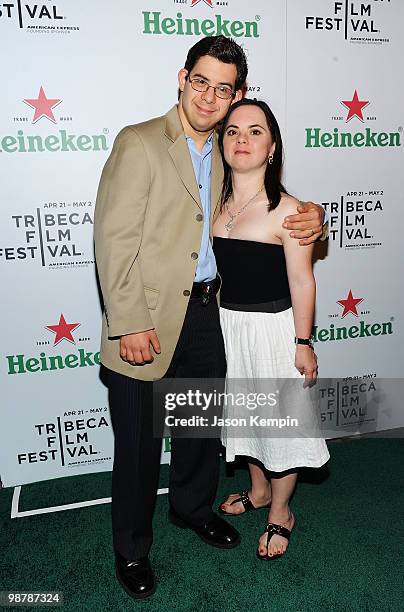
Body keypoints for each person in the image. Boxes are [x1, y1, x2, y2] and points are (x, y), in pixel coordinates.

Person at [94, 36, 325, 599]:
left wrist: (313, 215)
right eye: (202, 81)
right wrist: (129, 322)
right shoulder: (141, 142)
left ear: (236, 94)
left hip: (207, 313)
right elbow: (113, 238)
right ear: (182, 78)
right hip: (146, 318)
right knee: (141, 443)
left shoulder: (226, 154)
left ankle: (192, 510)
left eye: (225, 88)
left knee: (198, 432)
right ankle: (132, 549)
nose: (211, 96)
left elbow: (266, 202)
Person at [213, 98, 330, 559]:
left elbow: (303, 279)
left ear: (272, 146)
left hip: (273, 329)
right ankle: (258, 491)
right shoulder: (213, 202)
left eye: (255, 131)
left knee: (279, 424)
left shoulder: (290, 211)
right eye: (233, 131)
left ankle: (281, 512)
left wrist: (303, 342)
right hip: (227, 325)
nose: (242, 139)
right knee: (245, 418)